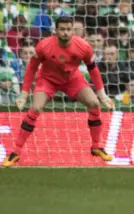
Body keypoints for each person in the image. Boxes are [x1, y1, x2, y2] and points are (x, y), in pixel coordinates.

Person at [2, 17, 114, 168]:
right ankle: (15, 152)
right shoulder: (44, 46)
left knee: (94, 103)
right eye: (62, 29)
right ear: (56, 30)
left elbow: (92, 68)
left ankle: (96, 146)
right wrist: (23, 94)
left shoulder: (83, 46)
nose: (65, 33)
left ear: (73, 30)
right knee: (35, 108)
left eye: (69, 29)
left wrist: (102, 94)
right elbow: (31, 68)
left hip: (72, 79)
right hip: (47, 80)